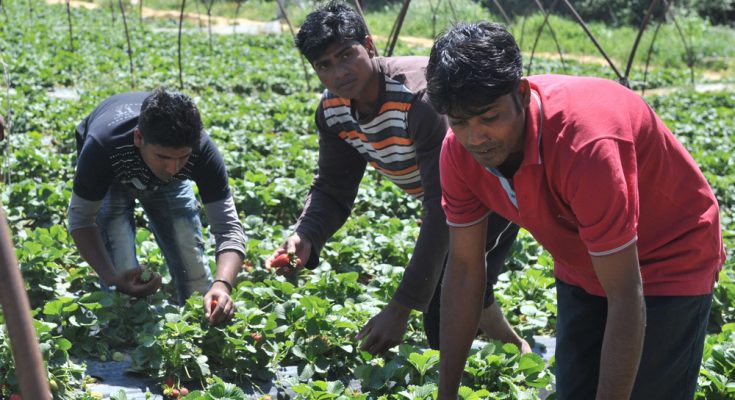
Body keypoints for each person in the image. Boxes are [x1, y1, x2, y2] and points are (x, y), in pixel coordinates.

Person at [425, 22, 725, 399]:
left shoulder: (586, 146)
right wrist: (446, 393)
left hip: (669, 254)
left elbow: (626, 294)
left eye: (489, 118)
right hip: (584, 259)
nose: (475, 137)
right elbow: (466, 269)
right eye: (459, 122)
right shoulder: (458, 153)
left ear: (521, 92)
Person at [265, 1, 529, 355]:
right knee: (468, 289)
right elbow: (333, 186)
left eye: (346, 55)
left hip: (493, 187)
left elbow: (442, 206)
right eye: (324, 65)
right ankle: (516, 350)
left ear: (369, 46)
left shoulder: (417, 100)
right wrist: (306, 235)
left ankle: (463, 381)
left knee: (446, 295)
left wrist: (402, 305)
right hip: (451, 201)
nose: (338, 72)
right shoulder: (333, 111)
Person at [68, 88, 246, 324]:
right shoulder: (102, 146)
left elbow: (229, 228)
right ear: (138, 138)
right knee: (123, 283)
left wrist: (222, 285)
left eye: (182, 157)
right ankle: (128, 328)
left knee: (194, 274)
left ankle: (196, 328)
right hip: (111, 177)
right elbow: (81, 220)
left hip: (170, 187)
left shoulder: (201, 151)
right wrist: (112, 277)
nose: (173, 168)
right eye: (163, 157)